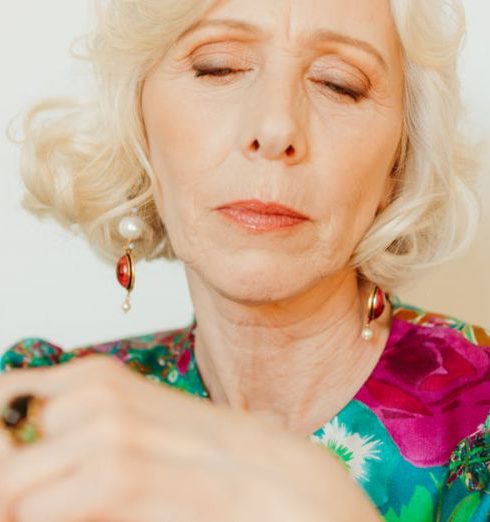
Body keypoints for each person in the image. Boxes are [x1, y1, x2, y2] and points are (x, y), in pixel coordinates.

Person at [1, 0, 489, 520]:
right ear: (138, 126)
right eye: (220, 67)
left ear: (398, 159)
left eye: (338, 83)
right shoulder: (48, 409)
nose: (276, 128)